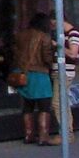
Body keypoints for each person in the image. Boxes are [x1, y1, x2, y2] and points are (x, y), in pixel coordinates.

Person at [17, 13, 56, 145]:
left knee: (27, 106)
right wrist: (52, 63)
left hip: (25, 74)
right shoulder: (45, 37)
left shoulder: (21, 35)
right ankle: (43, 136)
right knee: (44, 106)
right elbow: (47, 57)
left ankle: (28, 135)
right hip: (40, 74)